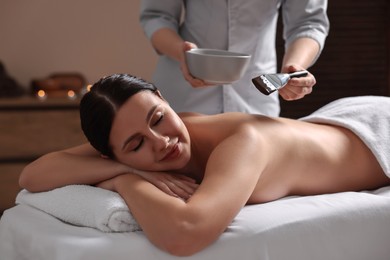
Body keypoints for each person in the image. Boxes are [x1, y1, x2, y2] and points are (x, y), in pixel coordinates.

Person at [19, 74, 390, 256]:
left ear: (165, 100)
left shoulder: (243, 143)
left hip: (377, 130)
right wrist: (127, 170)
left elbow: (184, 232)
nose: (162, 141)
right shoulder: (132, 144)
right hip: (324, 125)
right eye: (136, 145)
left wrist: (126, 180)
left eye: (159, 117)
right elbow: (32, 175)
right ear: (110, 154)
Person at [139, 0, 329, 116]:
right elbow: (157, 15)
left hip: (256, 100)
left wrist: (294, 68)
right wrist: (181, 52)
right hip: (184, 96)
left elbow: (308, 22)